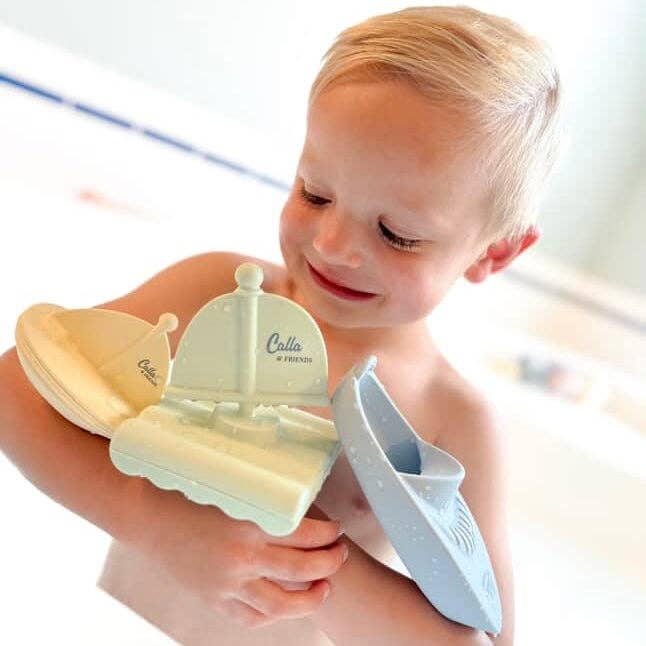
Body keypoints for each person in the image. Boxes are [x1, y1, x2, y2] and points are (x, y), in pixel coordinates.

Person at [0, 5, 563, 645]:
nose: (332, 245)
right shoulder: (218, 294)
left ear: (494, 251)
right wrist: (153, 520)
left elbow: (484, 638)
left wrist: (297, 552)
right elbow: (16, 386)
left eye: (397, 234)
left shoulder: (449, 418)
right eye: (315, 193)